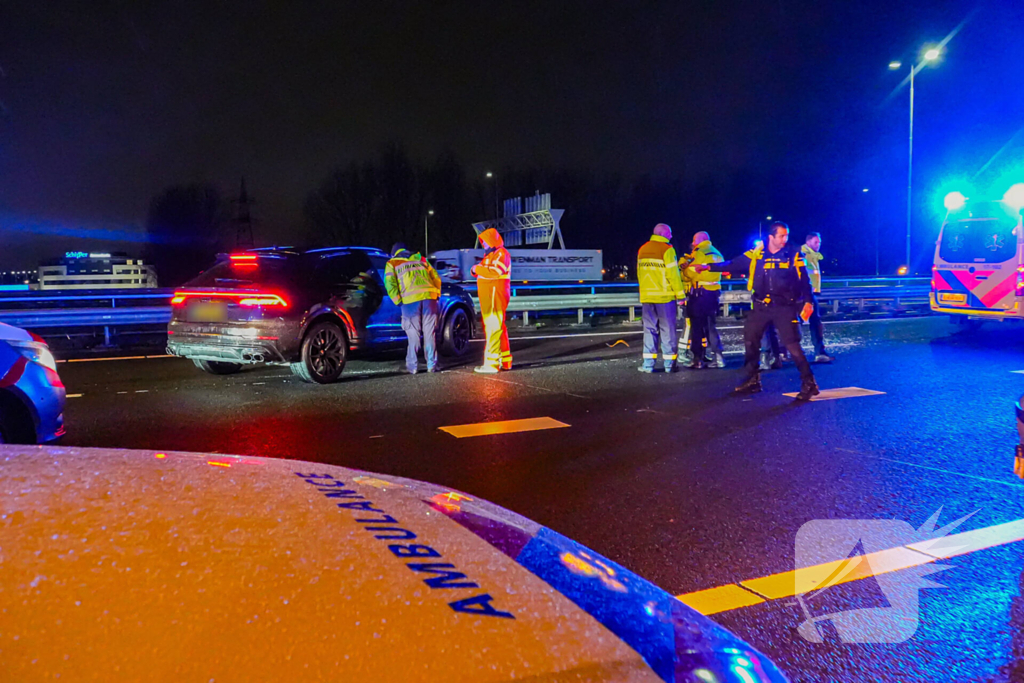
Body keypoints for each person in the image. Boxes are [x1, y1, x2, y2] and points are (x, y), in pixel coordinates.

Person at [696, 221, 819, 400]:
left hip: (784, 307)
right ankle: (752, 380)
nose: (785, 239)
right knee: (750, 340)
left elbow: (804, 282)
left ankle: (809, 383)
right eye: (781, 236)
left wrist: (808, 301)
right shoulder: (757, 253)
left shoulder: (793, 254)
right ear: (771, 237)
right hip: (761, 306)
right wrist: (708, 267)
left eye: (786, 235)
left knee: (792, 345)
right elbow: (733, 264)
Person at [385, 243, 442, 374]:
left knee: (413, 332)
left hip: (410, 300)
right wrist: (436, 294)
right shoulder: (421, 259)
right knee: (429, 332)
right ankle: (431, 365)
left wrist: (397, 300)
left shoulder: (392, 263)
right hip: (429, 297)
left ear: (394, 253)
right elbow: (436, 277)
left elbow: (390, 283)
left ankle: (413, 366)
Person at [637, 223, 686, 373]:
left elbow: (639, 273)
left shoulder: (643, 248)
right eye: (670, 233)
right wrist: (681, 295)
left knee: (649, 330)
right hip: (664, 297)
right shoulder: (667, 249)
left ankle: (648, 365)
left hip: (647, 297)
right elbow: (673, 275)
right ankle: (669, 365)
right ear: (664, 234)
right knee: (667, 329)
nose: (671, 236)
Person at [682, 231, 725, 369]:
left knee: (697, 327)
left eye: (694, 241)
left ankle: (697, 360)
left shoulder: (699, 253)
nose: (693, 244)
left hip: (699, 294)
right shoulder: (717, 253)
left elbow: (689, 274)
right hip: (714, 294)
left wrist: (683, 267)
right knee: (711, 326)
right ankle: (719, 358)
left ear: (699, 241)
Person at [472, 227, 512, 373]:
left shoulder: (501, 253)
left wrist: (476, 269)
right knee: (498, 327)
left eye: (485, 242)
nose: (484, 245)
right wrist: (476, 269)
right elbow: (480, 270)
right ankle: (505, 361)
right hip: (490, 296)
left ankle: (491, 364)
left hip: (495, 295)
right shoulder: (490, 255)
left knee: (493, 327)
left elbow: (495, 272)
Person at [801, 232, 834, 363]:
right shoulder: (804, 254)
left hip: (810, 293)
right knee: (809, 323)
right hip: (804, 295)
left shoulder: (813, 255)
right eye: (816, 242)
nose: (818, 245)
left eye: (819, 242)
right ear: (808, 242)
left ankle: (784, 352)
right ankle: (818, 352)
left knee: (812, 322)